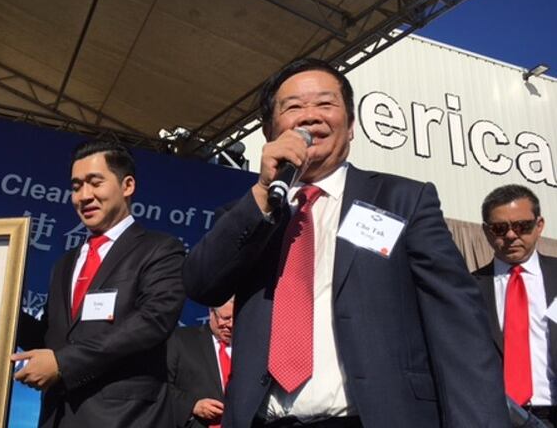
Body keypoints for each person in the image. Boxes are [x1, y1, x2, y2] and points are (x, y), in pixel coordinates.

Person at [182, 58, 509, 428]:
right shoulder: (251, 211)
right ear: (270, 130)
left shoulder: (402, 200)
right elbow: (201, 283)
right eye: (293, 107)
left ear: (351, 126)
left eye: (325, 103)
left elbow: (458, 326)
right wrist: (261, 192)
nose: (310, 116)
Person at [13, 140, 186, 428]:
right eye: (76, 186)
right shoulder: (65, 263)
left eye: (95, 183)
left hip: (124, 417)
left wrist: (64, 363)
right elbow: (53, 338)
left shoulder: (160, 250)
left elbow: (153, 321)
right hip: (58, 417)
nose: (84, 196)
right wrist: (3, 309)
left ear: (127, 186)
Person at [474, 184, 557, 426]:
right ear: (486, 231)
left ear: (539, 225)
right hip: (496, 416)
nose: (511, 235)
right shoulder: (467, 289)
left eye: (522, 226)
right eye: (500, 228)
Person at [167, 298, 234, 428]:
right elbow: (160, 385)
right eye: (225, 318)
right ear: (211, 312)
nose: (230, 325)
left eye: (235, 319)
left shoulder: (251, 348)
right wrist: (192, 406)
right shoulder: (181, 340)